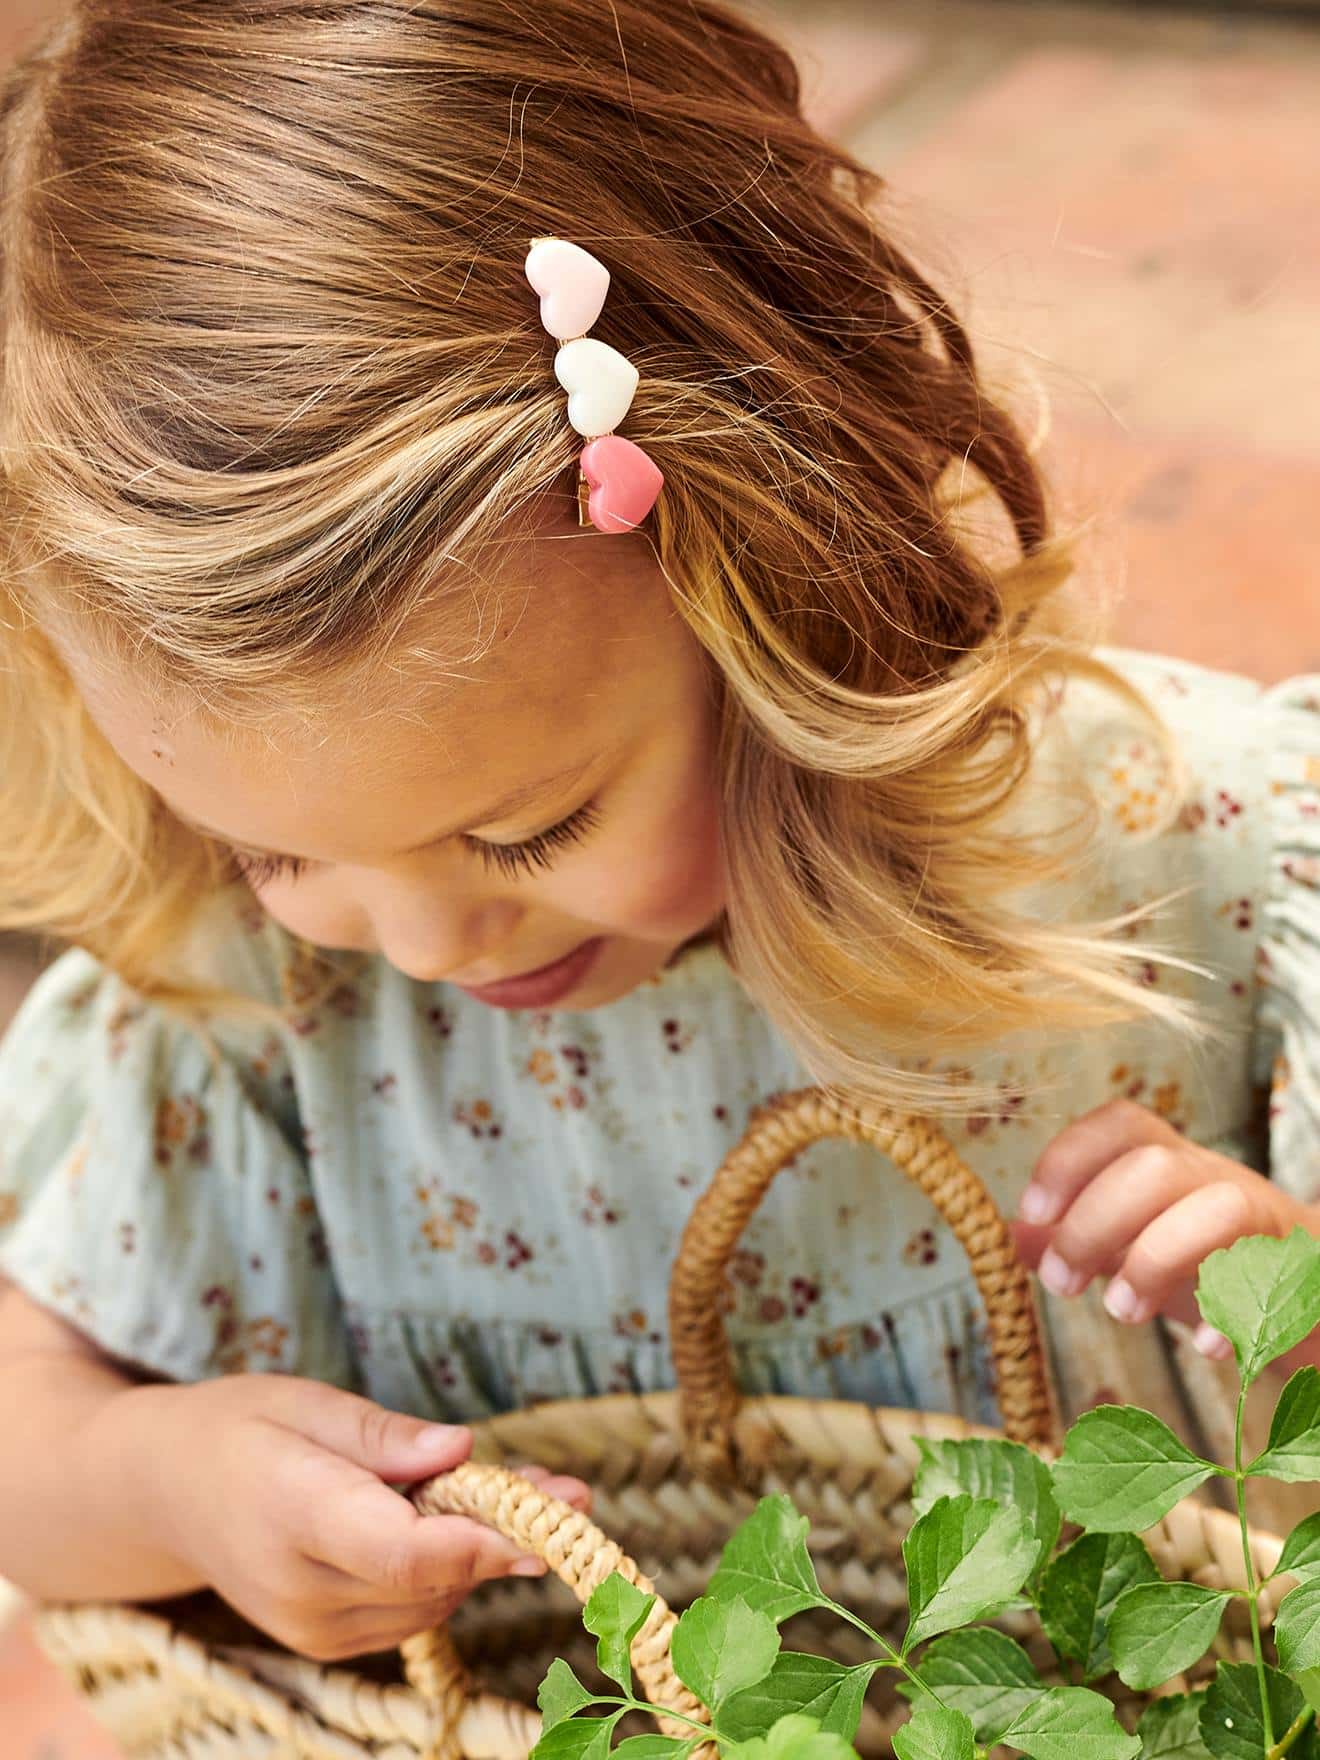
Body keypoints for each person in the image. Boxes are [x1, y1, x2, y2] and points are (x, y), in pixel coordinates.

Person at [0, 0, 1316, 1667]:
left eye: (532, 826)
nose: (419, 945)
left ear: (783, 575)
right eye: (271, 849)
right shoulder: (246, 1002)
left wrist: (1284, 1319)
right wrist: (164, 1482)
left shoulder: (1171, 863)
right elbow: (23, 1440)